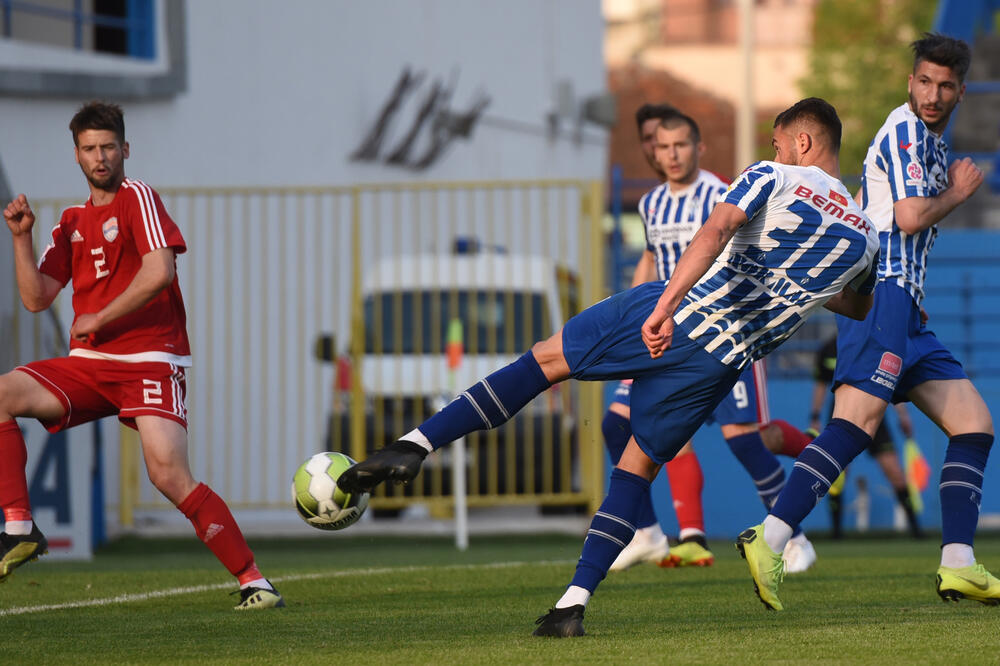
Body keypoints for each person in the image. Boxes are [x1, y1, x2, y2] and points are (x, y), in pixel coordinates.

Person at [336, 97, 879, 636]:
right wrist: (791, 284)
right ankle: (572, 604)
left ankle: (415, 445)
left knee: (545, 361)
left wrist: (665, 306)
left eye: (779, 143)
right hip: (718, 363)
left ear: (801, 141)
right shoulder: (864, 236)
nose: (775, 151)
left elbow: (713, 233)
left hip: (675, 310)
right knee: (637, 467)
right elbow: (856, 306)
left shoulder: (772, 176)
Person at [737, 33, 997, 612]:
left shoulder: (927, 144)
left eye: (945, 85)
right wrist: (956, 194)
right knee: (855, 425)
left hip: (903, 305)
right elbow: (908, 216)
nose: (932, 94)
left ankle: (959, 563)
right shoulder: (906, 131)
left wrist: (900, 292)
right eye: (924, 81)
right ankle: (771, 538)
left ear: (960, 92)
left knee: (974, 424)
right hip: (884, 299)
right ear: (910, 82)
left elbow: (868, 206)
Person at [0, 101, 284, 610]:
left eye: (108, 147)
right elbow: (36, 297)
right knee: (2, 394)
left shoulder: (138, 197)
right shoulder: (70, 221)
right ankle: (19, 527)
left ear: (125, 149)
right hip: (90, 365)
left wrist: (99, 318)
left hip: (151, 359)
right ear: (76, 155)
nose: (100, 157)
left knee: (168, 475)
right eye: (90, 148)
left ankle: (254, 581)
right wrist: (21, 239)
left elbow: (160, 272)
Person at [607, 108, 819, 573]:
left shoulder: (720, 192)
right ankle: (649, 533)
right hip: (667, 335)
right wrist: (634, 316)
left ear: (699, 148)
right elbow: (651, 260)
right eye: (663, 147)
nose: (671, 155)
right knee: (618, 423)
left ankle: (795, 537)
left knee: (744, 440)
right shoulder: (651, 204)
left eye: (680, 145)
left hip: (726, 332)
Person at [809, 335, 924, 539]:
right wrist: (815, 417)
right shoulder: (828, 349)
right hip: (841, 415)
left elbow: (889, 381)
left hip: (875, 415)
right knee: (838, 475)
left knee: (895, 472)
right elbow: (820, 385)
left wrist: (903, 415)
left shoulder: (873, 344)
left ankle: (916, 531)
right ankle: (836, 534)